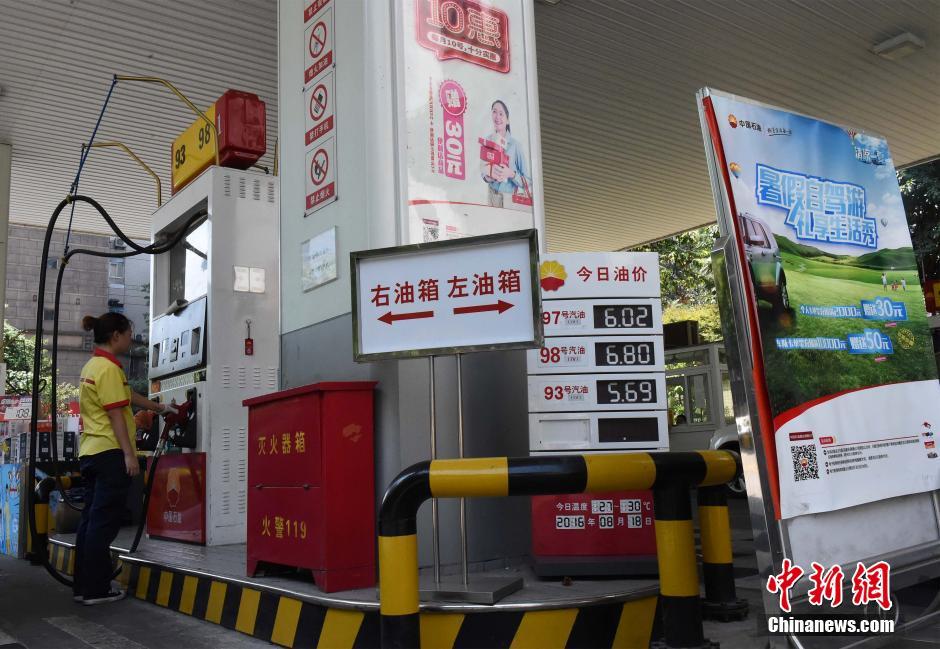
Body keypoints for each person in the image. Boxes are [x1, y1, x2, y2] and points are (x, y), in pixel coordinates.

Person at [74, 313, 175, 605]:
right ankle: (97, 589)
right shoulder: (108, 369)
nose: (132, 339)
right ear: (116, 335)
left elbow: (126, 395)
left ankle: (83, 586)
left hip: (91, 452)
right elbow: (116, 414)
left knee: (90, 520)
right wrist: (129, 455)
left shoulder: (94, 365)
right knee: (103, 523)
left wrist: (159, 407)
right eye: (129, 334)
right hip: (110, 453)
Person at [481, 100, 531, 208]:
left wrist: (511, 174)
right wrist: (489, 176)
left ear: (507, 120)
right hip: (491, 195)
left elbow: (528, 182)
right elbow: (483, 172)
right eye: (494, 112)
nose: (497, 117)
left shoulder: (516, 146)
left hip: (509, 198)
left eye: (501, 113)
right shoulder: (488, 141)